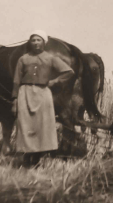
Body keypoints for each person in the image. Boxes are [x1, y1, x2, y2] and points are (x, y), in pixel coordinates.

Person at [12, 30, 74, 167]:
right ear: (30, 42)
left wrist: (54, 81)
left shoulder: (50, 58)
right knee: (26, 126)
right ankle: (26, 158)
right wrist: (15, 99)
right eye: (33, 40)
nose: (35, 43)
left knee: (42, 126)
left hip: (43, 94)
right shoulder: (23, 59)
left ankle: (36, 159)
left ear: (44, 42)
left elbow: (69, 72)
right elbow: (16, 80)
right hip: (25, 93)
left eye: (38, 40)